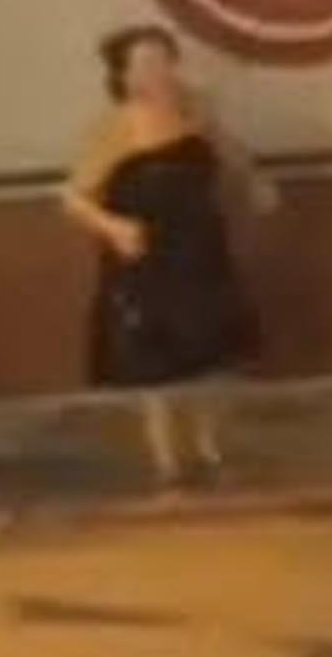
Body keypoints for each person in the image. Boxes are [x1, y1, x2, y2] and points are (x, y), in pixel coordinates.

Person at [61, 27, 270, 487]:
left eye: (164, 61)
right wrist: (114, 227)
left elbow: (231, 154)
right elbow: (73, 199)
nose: (159, 72)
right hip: (147, 253)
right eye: (146, 64)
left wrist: (255, 184)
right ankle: (167, 461)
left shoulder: (196, 111)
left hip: (200, 247)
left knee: (212, 352)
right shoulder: (114, 128)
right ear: (124, 75)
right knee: (156, 363)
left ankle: (210, 447)